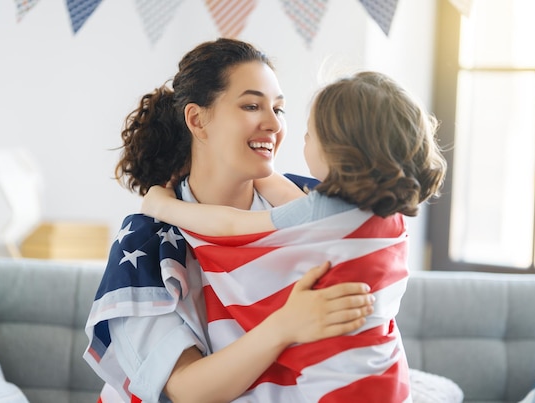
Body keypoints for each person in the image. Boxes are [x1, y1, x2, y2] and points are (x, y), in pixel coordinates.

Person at [83, 38, 376, 403]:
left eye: (279, 109)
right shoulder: (148, 244)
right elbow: (186, 389)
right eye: (252, 105)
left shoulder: (312, 202)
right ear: (197, 119)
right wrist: (285, 326)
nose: (273, 124)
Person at [141, 71, 448, 401]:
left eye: (310, 135)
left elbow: (228, 225)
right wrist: (248, 164)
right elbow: (276, 186)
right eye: (251, 106)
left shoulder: (318, 213)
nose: (299, 139)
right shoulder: (390, 219)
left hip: (335, 385)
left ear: (341, 153)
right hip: (387, 376)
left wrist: (161, 204)